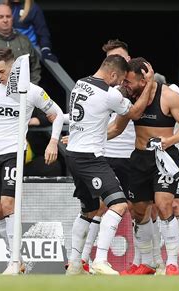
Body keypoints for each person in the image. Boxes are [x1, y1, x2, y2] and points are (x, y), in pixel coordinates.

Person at [0, 47, 64, 274]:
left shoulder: (32, 91)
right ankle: (17, 259)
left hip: (14, 152)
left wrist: (53, 142)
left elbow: (58, 114)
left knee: (8, 204)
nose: (0, 77)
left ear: (14, 68)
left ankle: (14, 261)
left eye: (3, 72)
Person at [65, 55, 156, 276]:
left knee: (89, 210)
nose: (121, 84)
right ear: (113, 74)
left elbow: (111, 128)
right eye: (120, 79)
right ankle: (101, 259)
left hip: (73, 154)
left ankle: (74, 263)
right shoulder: (109, 93)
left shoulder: (80, 83)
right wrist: (150, 83)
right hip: (91, 158)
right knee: (118, 204)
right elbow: (134, 113)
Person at [107, 58, 179, 276]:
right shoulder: (130, 98)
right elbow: (116, 128)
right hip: (139, 157)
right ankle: (147, 263)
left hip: (164, 157)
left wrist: (169, 141)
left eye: (129, 81)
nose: (125, 85)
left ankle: (172, 263)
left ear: (144, 79)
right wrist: (86, 137)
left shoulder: (169, 96)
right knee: (137, 210)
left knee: (164, 205)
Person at [78, 39, 136, 273]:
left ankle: (144, 262)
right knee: (101, 207)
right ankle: (86, 258)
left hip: (132, 154)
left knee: (139, 208)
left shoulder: (141, 84)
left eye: (122, 57)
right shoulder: (102, 88)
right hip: (105, 153)